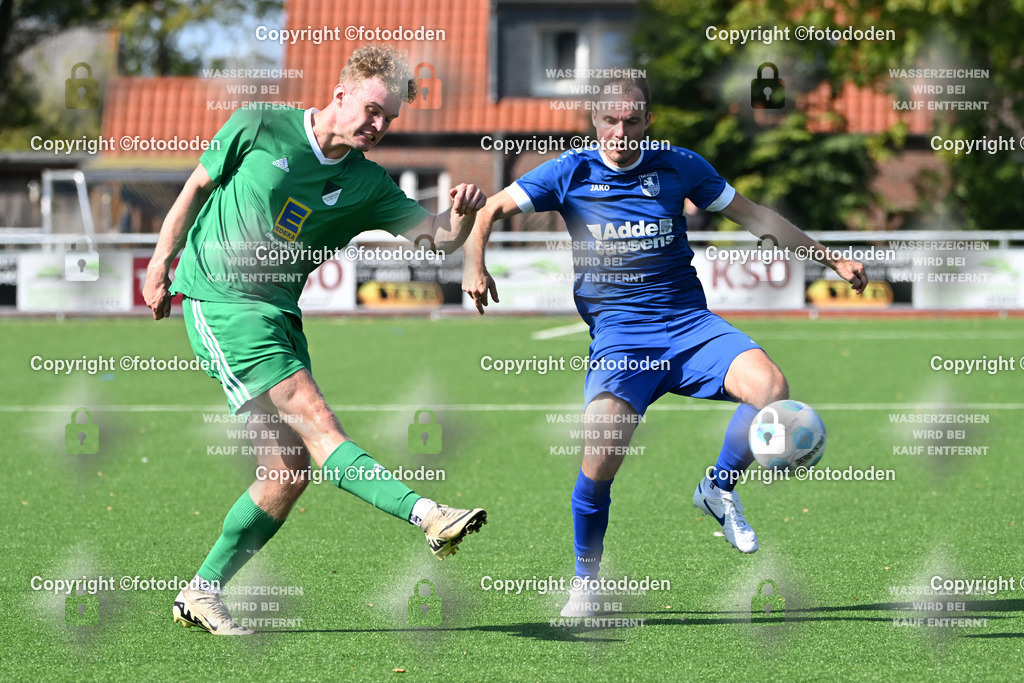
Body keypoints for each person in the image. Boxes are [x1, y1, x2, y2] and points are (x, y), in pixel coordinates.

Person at [462, 75, 866, 617]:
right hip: (621, 336)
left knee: (770, 389)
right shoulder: (570, 171)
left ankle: (718, 488)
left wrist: (832, 258)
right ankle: (587, 582)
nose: (620, 132)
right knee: (601, 453)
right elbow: (487, 210)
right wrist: (474, 263)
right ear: (594, 121)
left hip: (687, 323)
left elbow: (756, 218)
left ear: (647, 121)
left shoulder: (680, 166)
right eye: (610, 121)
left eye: (632, 121)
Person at [143, 44, 488, 635]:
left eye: (391, 119)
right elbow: (195, 188)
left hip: (279, 314)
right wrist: (158, 263)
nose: (380, 126)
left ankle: (201, 592)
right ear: (341, 94)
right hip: (221, 302)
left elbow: (435, 239)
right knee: (317, 421)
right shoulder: (260, 124)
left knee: (286, 471)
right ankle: (429, 514)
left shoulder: (367, 184)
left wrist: (459, 219)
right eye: (374, 111)